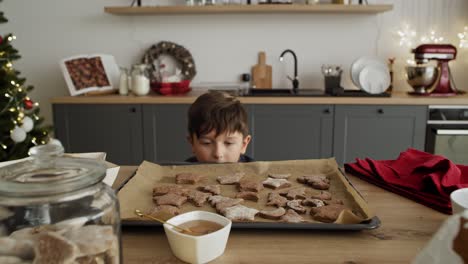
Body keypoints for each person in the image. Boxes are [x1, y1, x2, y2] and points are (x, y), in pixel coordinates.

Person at [185, 91, 253, 163]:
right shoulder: (180, 171)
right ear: (192, 143)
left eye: (228, 143)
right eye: (206, 143)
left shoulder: (258, 172)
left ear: (243, 145)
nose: (218, 154)